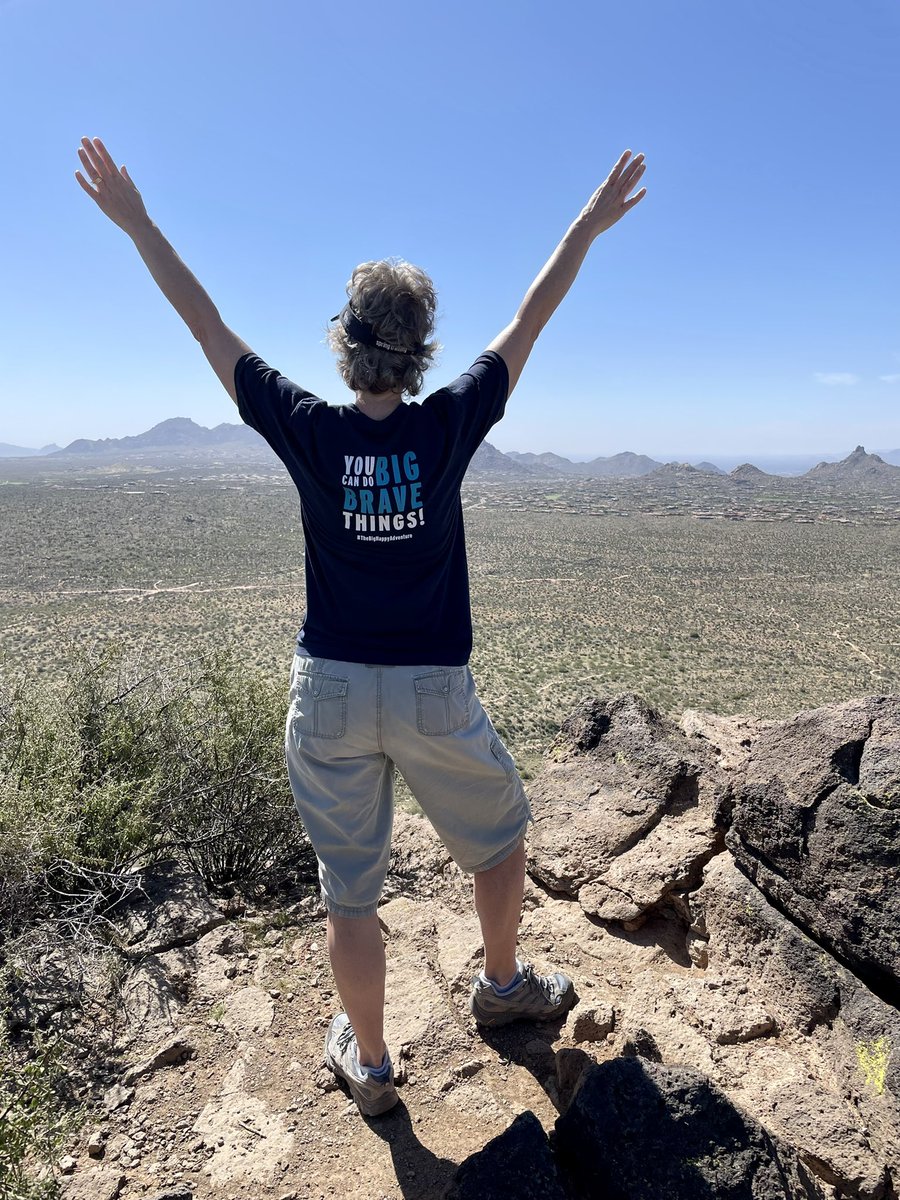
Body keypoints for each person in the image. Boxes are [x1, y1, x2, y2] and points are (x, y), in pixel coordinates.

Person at [75, 137, 647, 1117]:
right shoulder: (447, 423)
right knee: (500, 838)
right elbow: (531, 316)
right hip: (431, 687)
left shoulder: (307, 427)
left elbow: (206, 323)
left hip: (332, 690)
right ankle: (503, 986)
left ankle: (372, 1065)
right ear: (419, 351)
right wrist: (587, 226)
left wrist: (138, 224)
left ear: (345, 343)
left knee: (351, 894)